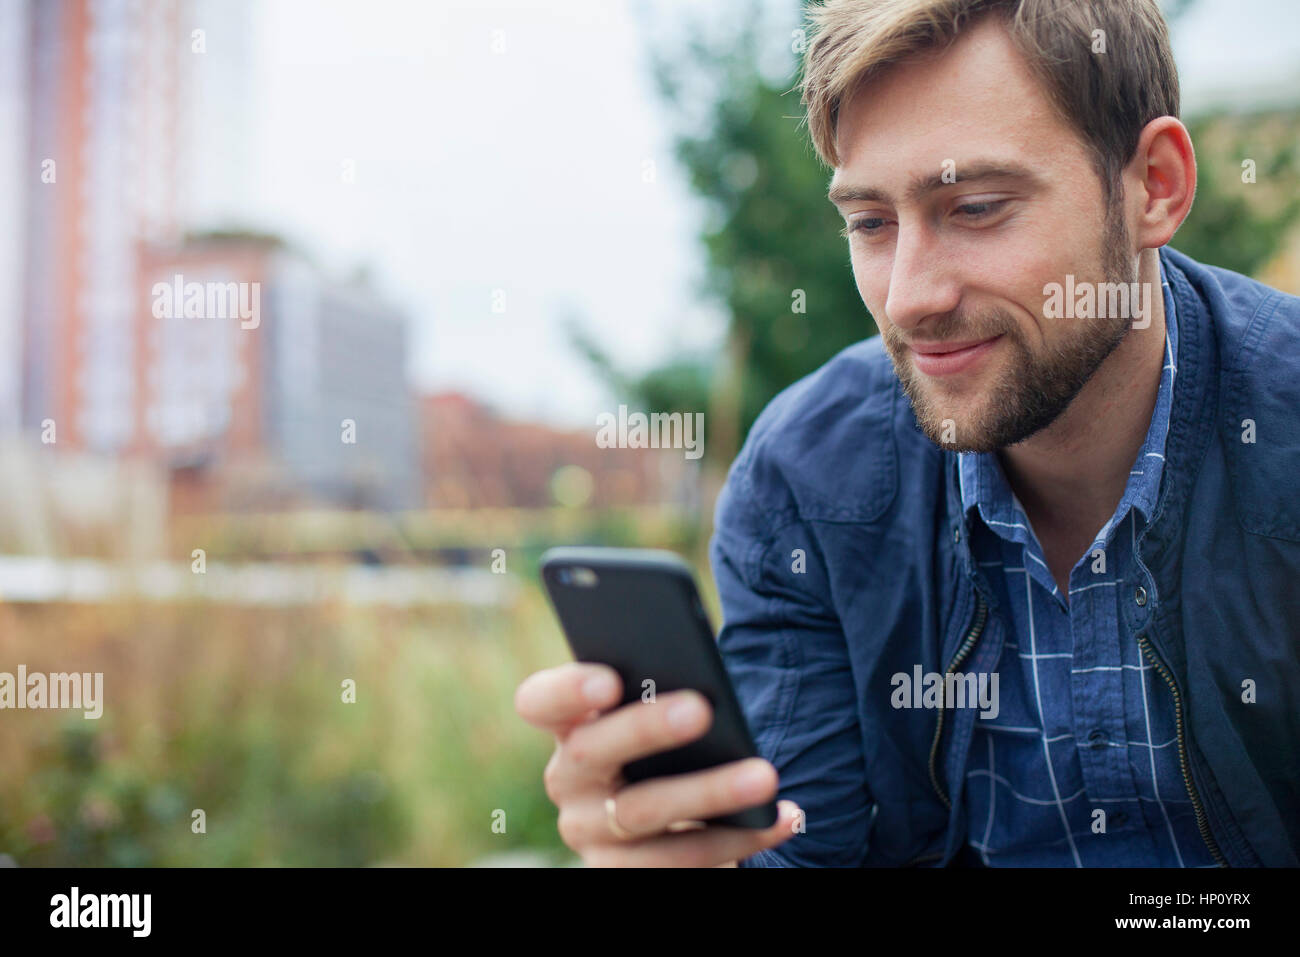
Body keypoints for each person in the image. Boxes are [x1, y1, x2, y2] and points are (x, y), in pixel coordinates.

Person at [514, 0, 1300, 867]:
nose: (908, 297)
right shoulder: (804, 484)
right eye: (871, 223)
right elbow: (802, 858)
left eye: (976, 207)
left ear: (1156, 184)